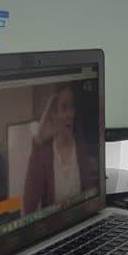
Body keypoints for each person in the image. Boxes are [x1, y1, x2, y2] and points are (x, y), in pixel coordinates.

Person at [22, 83, 97, 214]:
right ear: (54, 115)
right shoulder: (45, 154)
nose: (70, 114)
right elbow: (28, 207)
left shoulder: (81, 150)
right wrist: (38, 140)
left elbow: (91, 202)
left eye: (72, 107)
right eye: (64, 108)